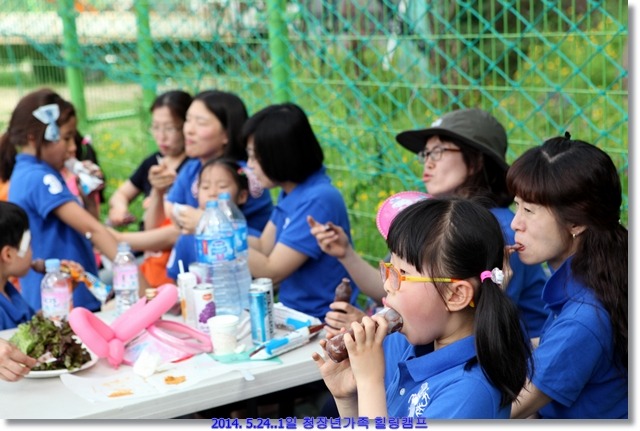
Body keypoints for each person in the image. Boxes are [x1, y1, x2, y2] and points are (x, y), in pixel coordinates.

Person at [309, 108, 549, 338]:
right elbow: (394, 287)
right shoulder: (437, 221)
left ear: (476, 161)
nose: (428, 163)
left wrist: (376, 331)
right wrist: (346, 253)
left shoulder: (499, 230)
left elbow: (473, 327)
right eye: (425, 154)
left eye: (438, 152)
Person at [313, 197, 532, 418]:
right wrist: (347, 400)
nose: (387, 285)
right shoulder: (418, 350)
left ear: (455, 295)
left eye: (402, 274)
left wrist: (370, 382)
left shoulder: (469, 392)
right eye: (389, 270)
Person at [507, 134, 627, 419]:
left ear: (576, 222)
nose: (515, 223)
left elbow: (503, 413)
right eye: (516, 206)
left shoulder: (583, 318)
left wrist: (487, 298)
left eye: (529, 210)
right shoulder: (601, 275)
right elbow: (550, 344)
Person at [0, 88, 144, 311]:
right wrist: (143, 289)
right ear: (33, 137)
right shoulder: (39, 178)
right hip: (63, 304)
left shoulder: (32, 172)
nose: (73, 148)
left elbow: (84, 231)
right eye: (66, 138)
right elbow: (93, 230)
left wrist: (88, 200)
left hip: (67, 300)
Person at [245, 103, 358, 320]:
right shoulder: (292, 191)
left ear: (280, 155)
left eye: (254, 157)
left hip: (321, 321)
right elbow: (263, 246)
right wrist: (219, 228)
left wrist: (224, 241)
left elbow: (271, 271)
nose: (250, 165)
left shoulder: (318, 200)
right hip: (293, 314)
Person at [106, 90, 193, 287]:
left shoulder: (191, 168)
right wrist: (119, 208)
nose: (161, 136)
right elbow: (121, 194)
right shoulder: (153, 162)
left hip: (167, 263)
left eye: (170, 128)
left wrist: (119, 240)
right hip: (146, 255)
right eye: (155, 127)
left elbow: (176, 231)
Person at [166, 90, 273, 235]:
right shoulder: (192, 168)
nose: (189, 130)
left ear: (227, 134)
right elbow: (171, 212)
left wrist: (207, 222)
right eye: (188, 120)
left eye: (201, 122)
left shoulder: (245, 175)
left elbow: (261, 241)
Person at [166, 157, 260, 280]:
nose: (212, 193)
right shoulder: (187, 238)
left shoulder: (248, 238)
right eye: (205, 187)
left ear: (242, 196)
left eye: (222, 186)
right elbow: (175, 280)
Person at [0, 201, 35, 330]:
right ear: (8, 254)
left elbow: (32, 324)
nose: (32, 252)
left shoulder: (8, 291)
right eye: (28, 244)